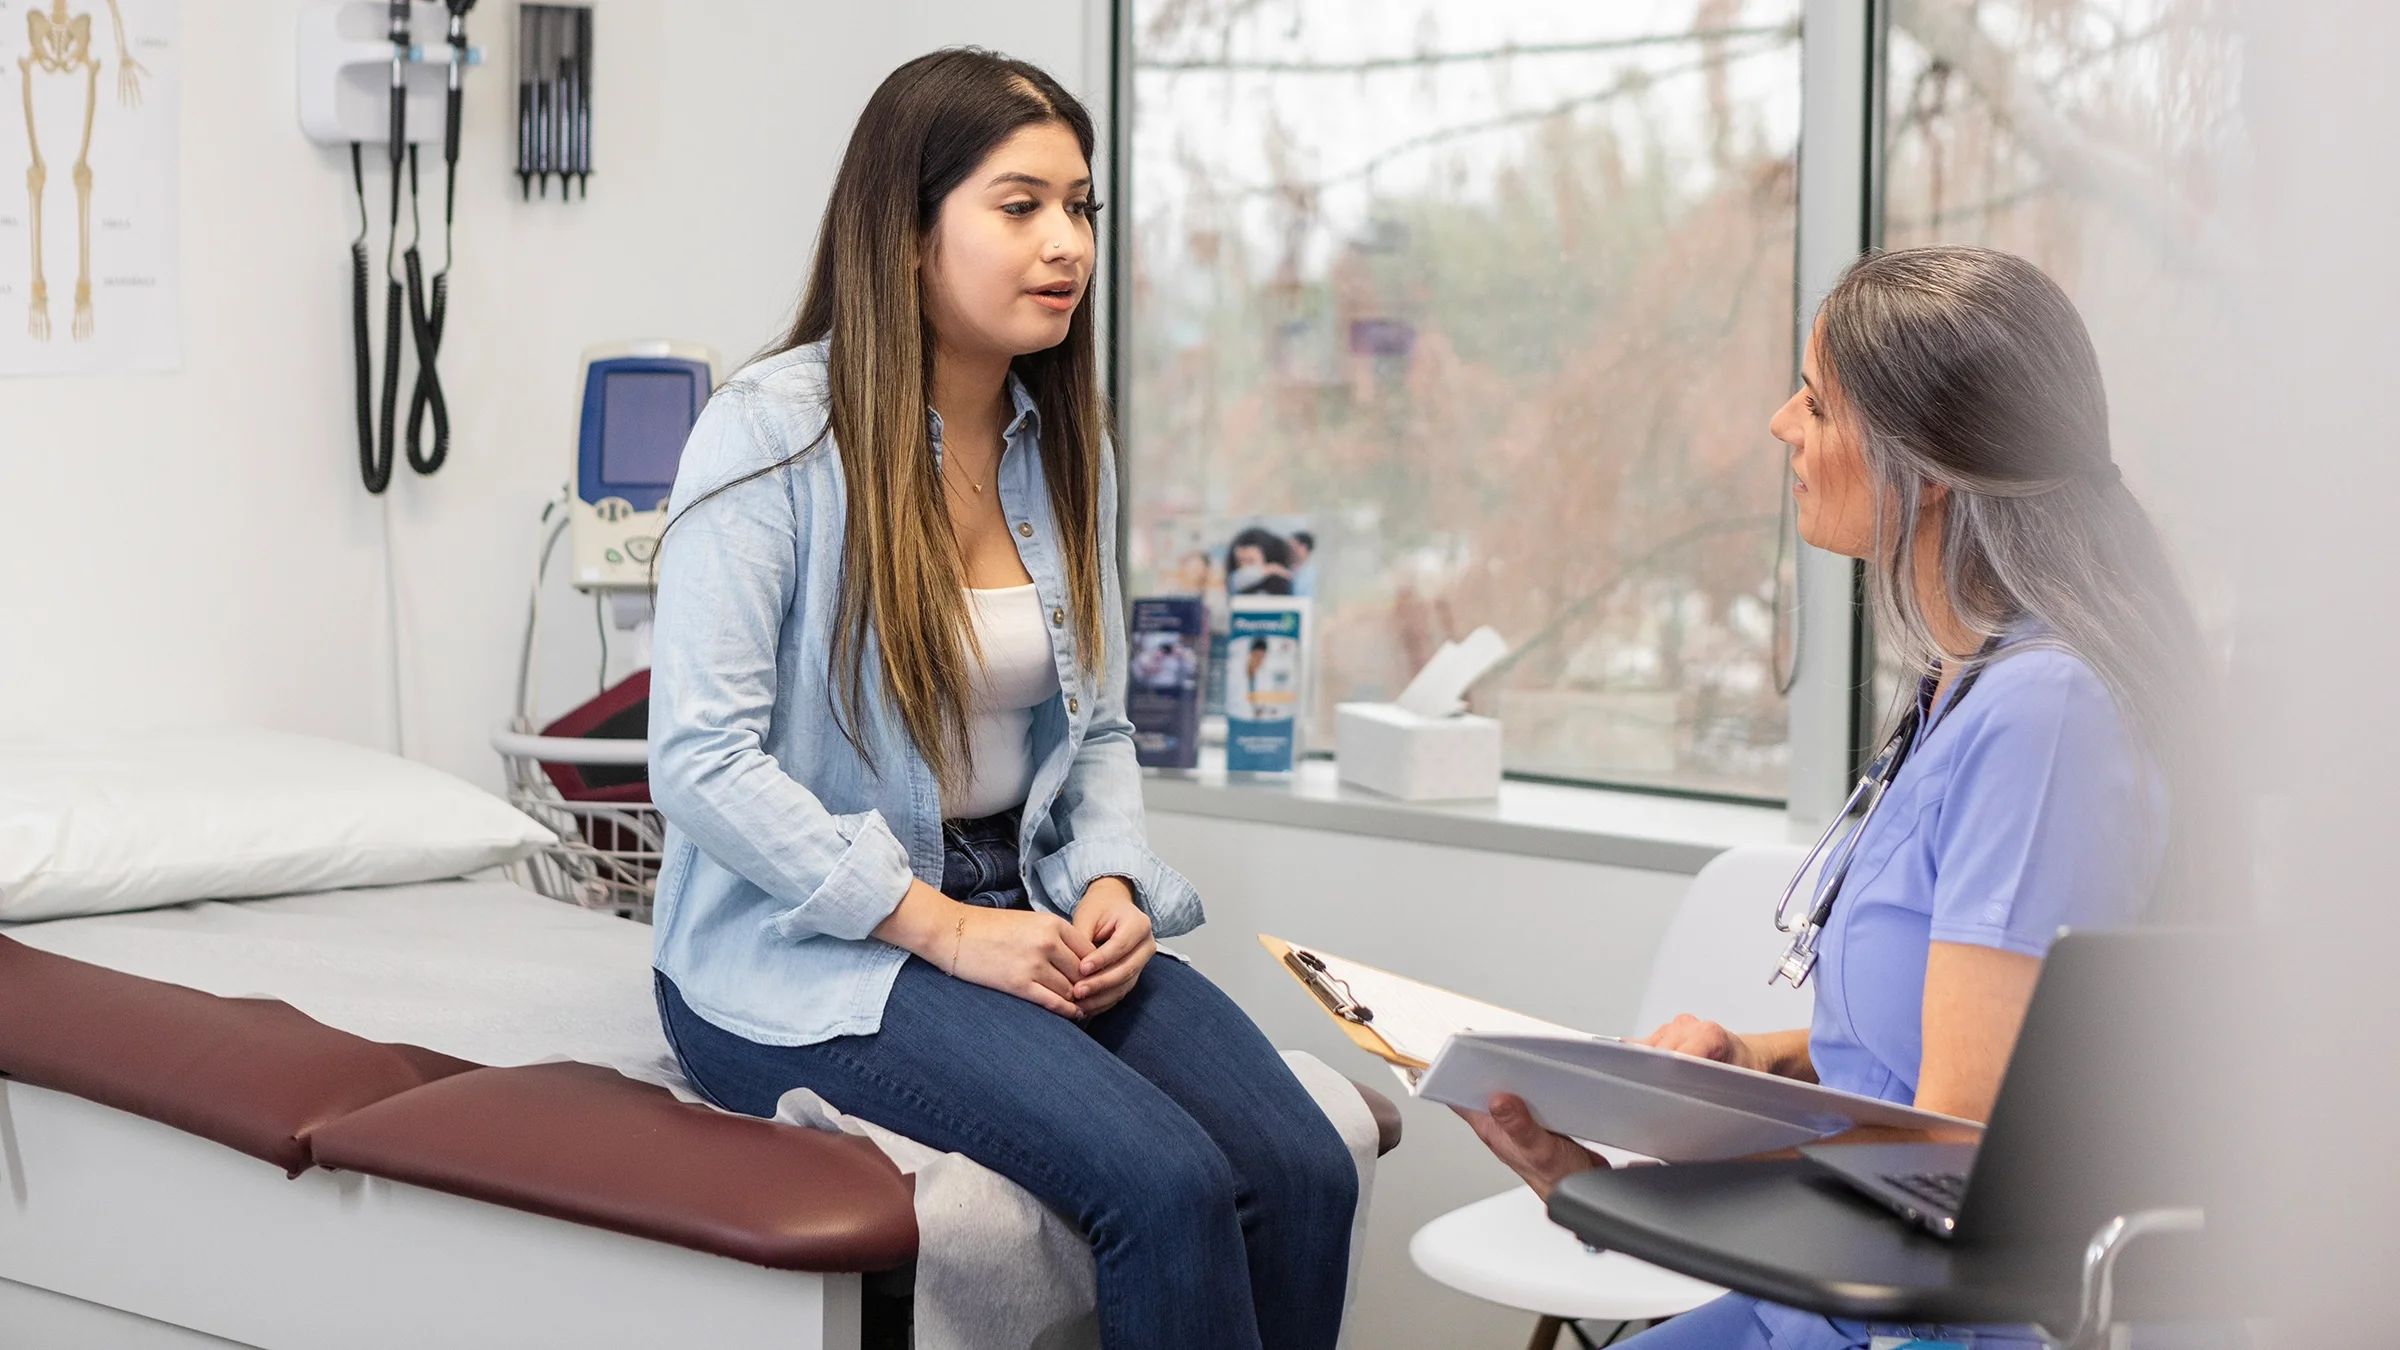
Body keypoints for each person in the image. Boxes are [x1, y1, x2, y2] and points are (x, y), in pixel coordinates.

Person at [645, 48, 1357, 1350]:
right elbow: (699, 759)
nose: (1065, 241)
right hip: (805, 951)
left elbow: (1094, 734)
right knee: (1165, 1182)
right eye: (1020, 204)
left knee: (1305, 1162)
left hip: (1013, 897)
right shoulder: (771, 434)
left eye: (1079, 207)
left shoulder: (1060, 442)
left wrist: (1109, 886)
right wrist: (944, 931)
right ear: (909, 234)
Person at [1461, 247, 2211, 1350]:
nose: (1780, 424)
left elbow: (1953, 1158)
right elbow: (1920, 1048)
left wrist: (1630, 1173)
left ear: (1935, 462)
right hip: (1806, 1304)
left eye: (1816, 401)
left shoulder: (2044, 717)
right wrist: (1755, 1062)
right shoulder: (1965, 686)